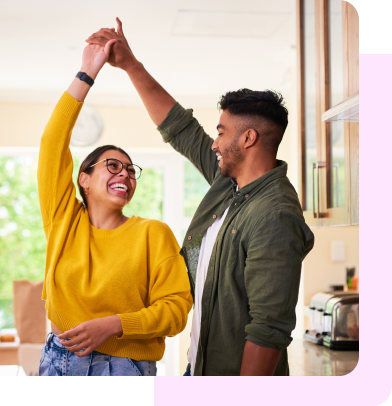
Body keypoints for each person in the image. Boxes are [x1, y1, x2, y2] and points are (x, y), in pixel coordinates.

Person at [86, 18, 315, 376]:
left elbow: (268, 330)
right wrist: (130, 64)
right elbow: (181, 129)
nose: (214, 142)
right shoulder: (230, 184)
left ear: (248, 139)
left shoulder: (274, 215)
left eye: (222, 132)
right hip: (201, 368)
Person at [37, 39, 193, 376]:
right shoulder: (63, 220)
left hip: (124, 366)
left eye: (130, 170)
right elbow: (52, 143)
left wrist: (114, 325)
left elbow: (176, 310)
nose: (125, 173)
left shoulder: (153, 234)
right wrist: (88, 71)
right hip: (57, 358)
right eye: (112, 165)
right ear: (84, 179)